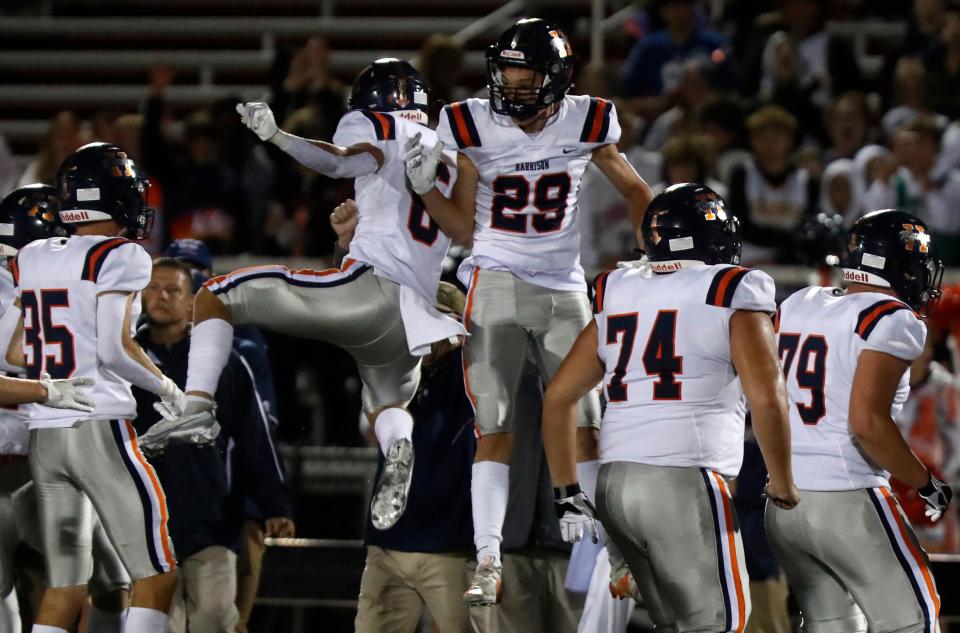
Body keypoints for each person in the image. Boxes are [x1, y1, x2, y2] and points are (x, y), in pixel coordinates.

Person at [404, 18, 653, 606]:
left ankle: (611, 553)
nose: (513, 87)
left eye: (527, 76)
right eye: (508, 74)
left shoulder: (588, 119)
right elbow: (465, 227)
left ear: (557, 78)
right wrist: (425, 191)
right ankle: (487, 557)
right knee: (494, 427)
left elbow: (637, 190)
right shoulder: (469, 123)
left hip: (564, 286)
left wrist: (650, 252)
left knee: (588, 424)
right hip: (494, 279)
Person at [173, 58, 465, 536]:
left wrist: (278, 137)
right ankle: (397, 446)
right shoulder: (448, 151)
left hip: (370, 292)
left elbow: (341, 160)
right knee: (385, 404)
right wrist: (351, 241)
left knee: (215, 295)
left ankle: (196, 407)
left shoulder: (377, 125)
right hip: (413, 319)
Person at [540, 183, 799, 632]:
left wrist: (567, 491)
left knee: (675, 624)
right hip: (686, 478)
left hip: (615, 486)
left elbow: (559, 397)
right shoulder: (730, 287)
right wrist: (782, 478)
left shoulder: (617, 287)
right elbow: (767, 395)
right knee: (722, 622)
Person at [7, 143, 194, 633]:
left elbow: (17, 354)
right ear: (113, 198)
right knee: (157, 574)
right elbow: (115, 349)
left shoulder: (33, 256)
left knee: (66, 584)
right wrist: (169, 390)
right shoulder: (122, 254)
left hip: (46, 434)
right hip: (98, 425)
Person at [767, 209, 949, 631]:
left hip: (784, 500)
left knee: (832, 626)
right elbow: (866, 424)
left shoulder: (798, 302)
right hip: (846, 495)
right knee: (914, 620)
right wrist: (926, 485)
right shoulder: (892, 318)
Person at [132, 257, 293, 633]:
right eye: (153, 288)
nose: (161, 297)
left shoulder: (224, 359)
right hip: (141, 523)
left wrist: (275, 501)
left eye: (173, 289)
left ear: (191, 302)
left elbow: (255, 435)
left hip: (211, 519)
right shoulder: (124, 361)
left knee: (216, 622)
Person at [0, 184, 132, 633]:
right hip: (27, 459)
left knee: (107, 581)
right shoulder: (32, 284)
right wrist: (41, 392)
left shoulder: (45, 284)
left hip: (41, 459)